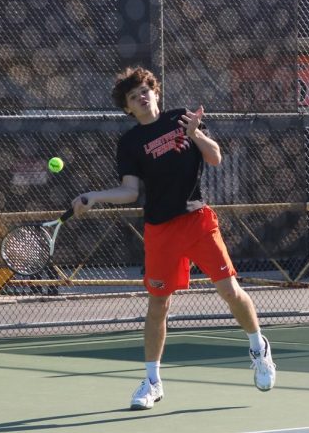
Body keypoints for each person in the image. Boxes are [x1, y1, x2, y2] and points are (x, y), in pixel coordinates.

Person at [72, 66, 276, 410]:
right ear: (128, 108)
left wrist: (195, 133)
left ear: (155, 92)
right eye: (133, 95)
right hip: (160, 229)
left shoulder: (182, 119)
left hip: (197, 221)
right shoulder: (130, 142)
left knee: (229, 290)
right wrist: (94, 196)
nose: (141, 96)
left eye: (145, 90)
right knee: (158, 305)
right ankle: (152, 382)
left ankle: (259, 349)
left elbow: (214, 157)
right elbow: (129, 190)